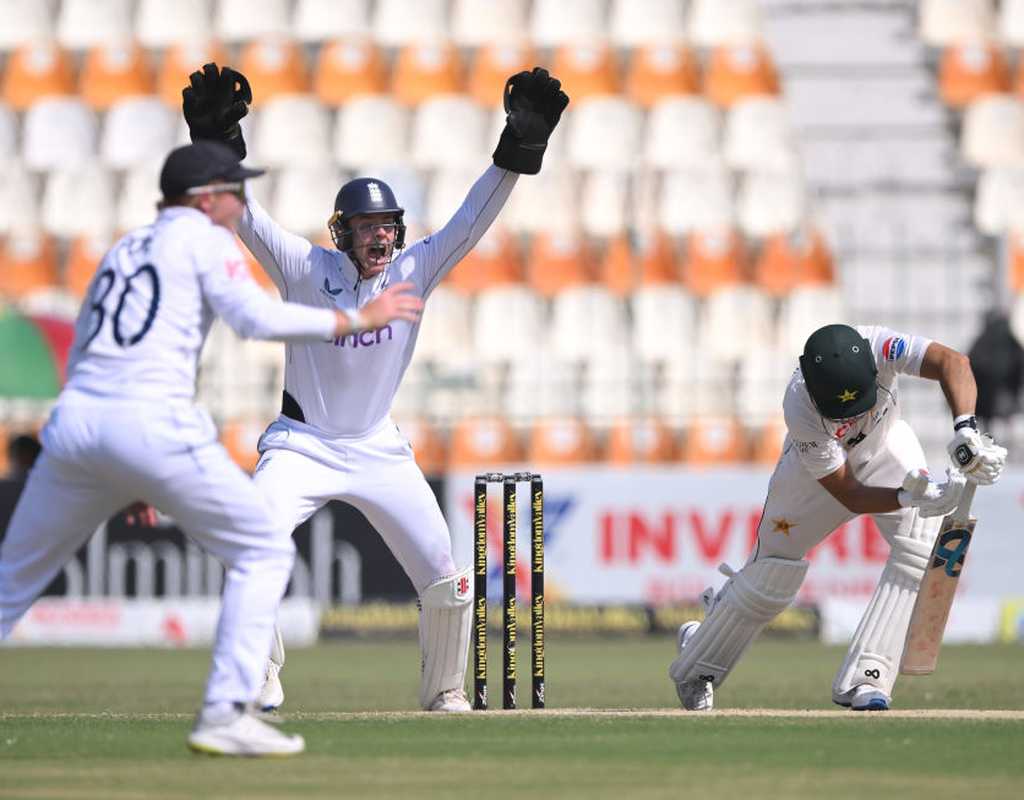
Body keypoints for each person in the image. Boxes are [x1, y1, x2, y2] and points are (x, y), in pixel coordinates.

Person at [0, 140, 423, 755]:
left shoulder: (123, 249)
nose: (239, 202)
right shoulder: (201, 239)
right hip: (149, 422)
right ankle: (227, 712)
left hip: (75, 424)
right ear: (203, 200)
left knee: (12, 581)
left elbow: (91, 347)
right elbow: (255, 319)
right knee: (261, 549)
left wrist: (123, 472)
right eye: (232, 190)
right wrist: (354, 321)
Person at [180, 62, 569, 712]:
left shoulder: (415, 269)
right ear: (343, 233)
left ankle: (445, 689)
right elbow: (245, 217)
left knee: (447, 581)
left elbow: (472, 220)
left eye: (388, 225)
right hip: (301, 446)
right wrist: (214, 144)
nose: (381, 236)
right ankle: (258, 676)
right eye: (368, 228)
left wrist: (517, 149)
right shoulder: (305, 268)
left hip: (377, 448)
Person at [668, 324, 1008, 711]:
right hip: (817, 477)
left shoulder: (882, 346)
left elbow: (953, 362)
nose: (855, 414)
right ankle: (697, 661)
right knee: (770, 576)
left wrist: (966, 429)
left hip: (885, 447)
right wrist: (905, 497)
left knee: (924, 543)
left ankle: (868, 675)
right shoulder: (800, 407)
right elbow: (850, 495)